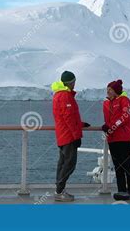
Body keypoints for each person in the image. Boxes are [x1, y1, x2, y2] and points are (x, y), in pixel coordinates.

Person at [51, 70, 91, 202]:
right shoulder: (65, 96)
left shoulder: (59, 95)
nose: (75, 84)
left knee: (62, 163)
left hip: (62, 135)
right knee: (69, 164)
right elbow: (68, 117)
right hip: (68, 136)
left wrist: (80, 124)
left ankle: (59, 189)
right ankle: (59, 191)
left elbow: (68, 117)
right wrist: (76, 136)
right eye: (74, 82)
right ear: (70, 82)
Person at [101, 79, 130, 200]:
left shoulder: (124, 100)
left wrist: (111, 127)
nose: (108, 92)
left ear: (116, 91)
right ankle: (121, 190)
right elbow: (108, 119)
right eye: (107, 90)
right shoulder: (106, 103)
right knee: (118, 165)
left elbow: (124, 117)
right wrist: (107, 128)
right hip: (113, 138)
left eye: (110, 90)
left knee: (126, 164)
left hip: (125, 137)